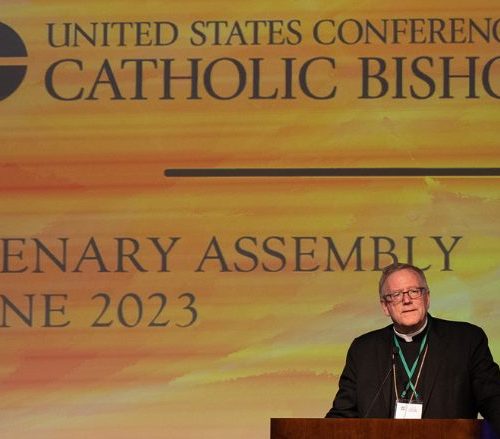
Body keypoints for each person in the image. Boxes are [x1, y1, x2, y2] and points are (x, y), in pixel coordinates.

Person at [325, 263, 500, 435]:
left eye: (414, 291)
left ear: (427, 298)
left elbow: (494, 400)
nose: (407, 300)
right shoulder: (363, 350)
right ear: (385, 306)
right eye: (396, 295)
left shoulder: (465, 340)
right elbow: (342, 415)